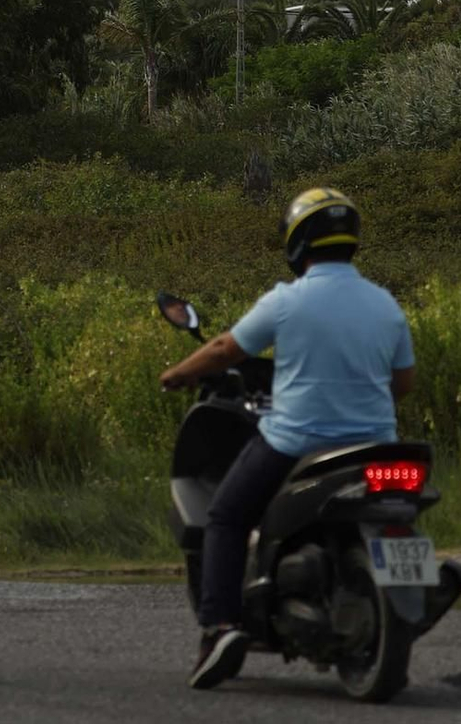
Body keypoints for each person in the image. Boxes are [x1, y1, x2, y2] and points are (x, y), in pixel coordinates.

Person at [159, 186, 415, 691]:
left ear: (298, 245)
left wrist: (178, 374)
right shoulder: (385, 304)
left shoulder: (287, 301)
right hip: (377, 444)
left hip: (297, 440)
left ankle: (221, 627)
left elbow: (224, 349)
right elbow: (402, 383)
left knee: (226, 516)